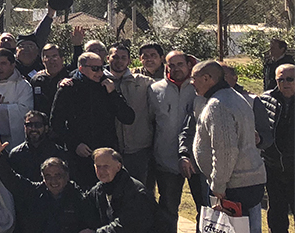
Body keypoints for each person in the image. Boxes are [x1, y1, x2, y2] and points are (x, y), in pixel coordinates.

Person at [190, 60, 267, 233]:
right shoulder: (234, 97)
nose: (192, 83)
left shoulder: (218, 105)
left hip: (234, 185)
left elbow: (225, 151)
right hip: (245, 181)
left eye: (194, 78)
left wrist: (218, 185)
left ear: (207, 78)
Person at [51, 52, 135, 188]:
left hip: (106, 153)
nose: (100, 72)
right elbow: (55, 123)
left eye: (102, 68)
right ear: (81, 68)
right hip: (79, 155)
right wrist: (75, 144)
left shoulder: (107, 87)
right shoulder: (68, 89)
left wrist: (113, 94)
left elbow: (128, 117)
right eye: (95, 69)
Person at [0, 127, 96, 233]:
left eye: (58, 175)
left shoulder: (79, 197)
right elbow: (11, 179)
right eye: (48, 176)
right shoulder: (35, 192)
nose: (53, 181)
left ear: (67, 176)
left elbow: (91, 223)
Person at [148, 50, 206, 218]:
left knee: (204, 209)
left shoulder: (199, 88)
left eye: (180, 64)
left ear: (189, 64)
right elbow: (151, 121)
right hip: (166, 159)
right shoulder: (154, 89)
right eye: (171, 65)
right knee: (168, 209)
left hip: (198, 160)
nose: (176, 69)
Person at [105, 44, 155, 186]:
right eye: (115, 57)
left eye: (123, 58)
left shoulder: (143, 82)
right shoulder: (98, 82)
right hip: (110, 149)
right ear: (108, 58)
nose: (119, 61)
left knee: (140, 192)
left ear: (129, 61)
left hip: (138, 149)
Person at [85, 148, 161, 232]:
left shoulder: (135, 192)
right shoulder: (98, 190)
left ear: (118, 166)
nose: (101, 171)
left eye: (106, 166)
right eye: (98, 167)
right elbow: (84, 207)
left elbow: (126, 226)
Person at [259, 63, 295, 232]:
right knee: (277, 215)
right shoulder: (265, 100)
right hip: (273, 168)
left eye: (290, 79)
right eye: (281, 79)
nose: (285, 83)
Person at [6, 110, 69, 183]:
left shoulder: (58, 153)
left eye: (37, 125)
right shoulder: (16, 154)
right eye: (29, 125)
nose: (33, 129)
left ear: (46, 128)